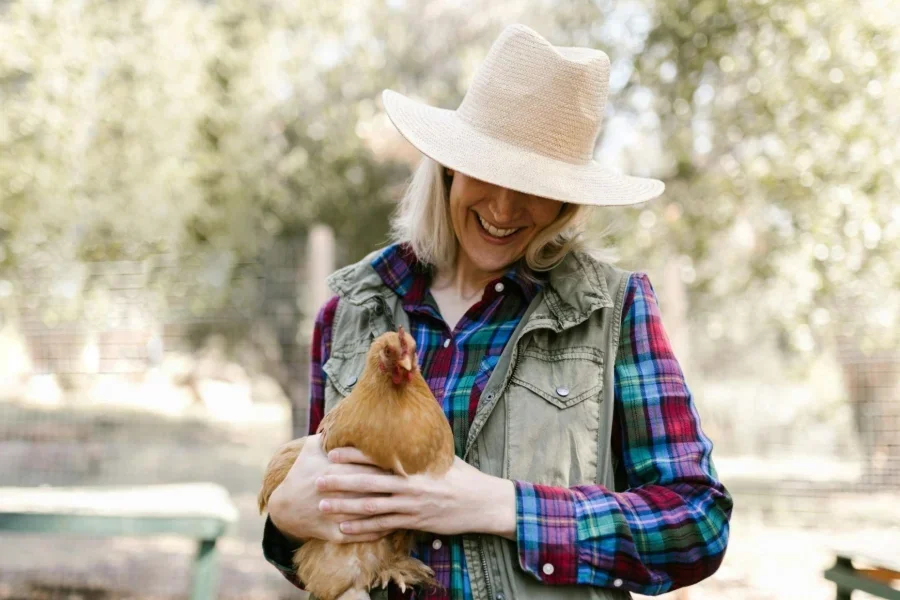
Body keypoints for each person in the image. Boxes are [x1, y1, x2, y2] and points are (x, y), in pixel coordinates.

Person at [263, 23, 732, 600]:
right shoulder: (351, 309)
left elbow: (697, 522)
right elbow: (321, 545)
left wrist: (502, 506)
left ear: (567, 199)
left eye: (535, 184)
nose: (506, 208)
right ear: (450, 167)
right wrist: (284, 522)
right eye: (490, 170)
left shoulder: (613, 312)